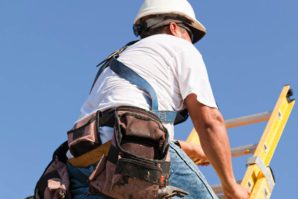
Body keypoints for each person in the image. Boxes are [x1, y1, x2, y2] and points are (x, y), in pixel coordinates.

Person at [67, 0, 250, 198]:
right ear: (174, 28)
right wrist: (231, 185)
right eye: (190, 34)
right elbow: (209, 121)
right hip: (131, 157)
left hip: (80, 164)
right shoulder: (180, 48)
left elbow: (121, 122)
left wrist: (185, 147)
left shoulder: (123, 59)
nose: (191, 42)